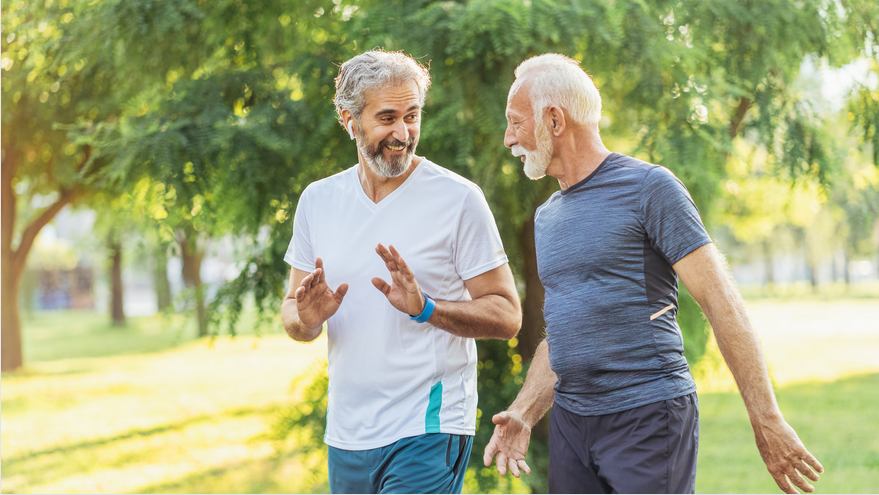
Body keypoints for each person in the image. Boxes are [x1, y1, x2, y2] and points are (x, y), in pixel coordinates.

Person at [482, 53, 824, 494]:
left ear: (554, 120)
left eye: (515, 121)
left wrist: (767, 420)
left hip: (646, 416)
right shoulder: (548, 217)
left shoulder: (649, 188)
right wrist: (525, 412)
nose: (508, 138)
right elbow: (567, 332)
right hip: (572, 423)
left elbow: (721, 303)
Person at [280, 50, 521, 494]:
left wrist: (426, 308)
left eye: (412, 116)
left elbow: (507, 315)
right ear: (349, 120)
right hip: (348, 433)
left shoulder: (458, 199)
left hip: (427, 427)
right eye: (387, 117)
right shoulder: (318, 201)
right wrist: (307, 318)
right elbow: (293, 315)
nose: (402, 133)